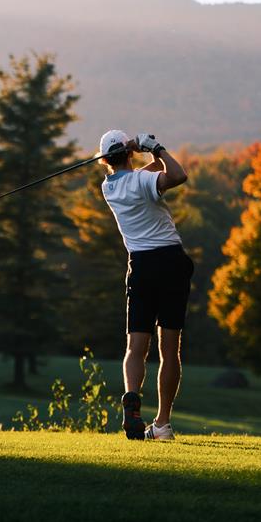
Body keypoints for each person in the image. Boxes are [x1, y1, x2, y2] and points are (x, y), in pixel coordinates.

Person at [98, 130, 194, 440]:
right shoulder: (141, 182)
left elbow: (144, 175)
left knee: (135, 346)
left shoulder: (109, 187)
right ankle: (163, 424)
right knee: (169, 348)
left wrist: (143, 155)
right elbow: (178, 174)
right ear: (128, 154)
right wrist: (155, 147)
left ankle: (132, 399)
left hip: (139, 266)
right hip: (170, 262)